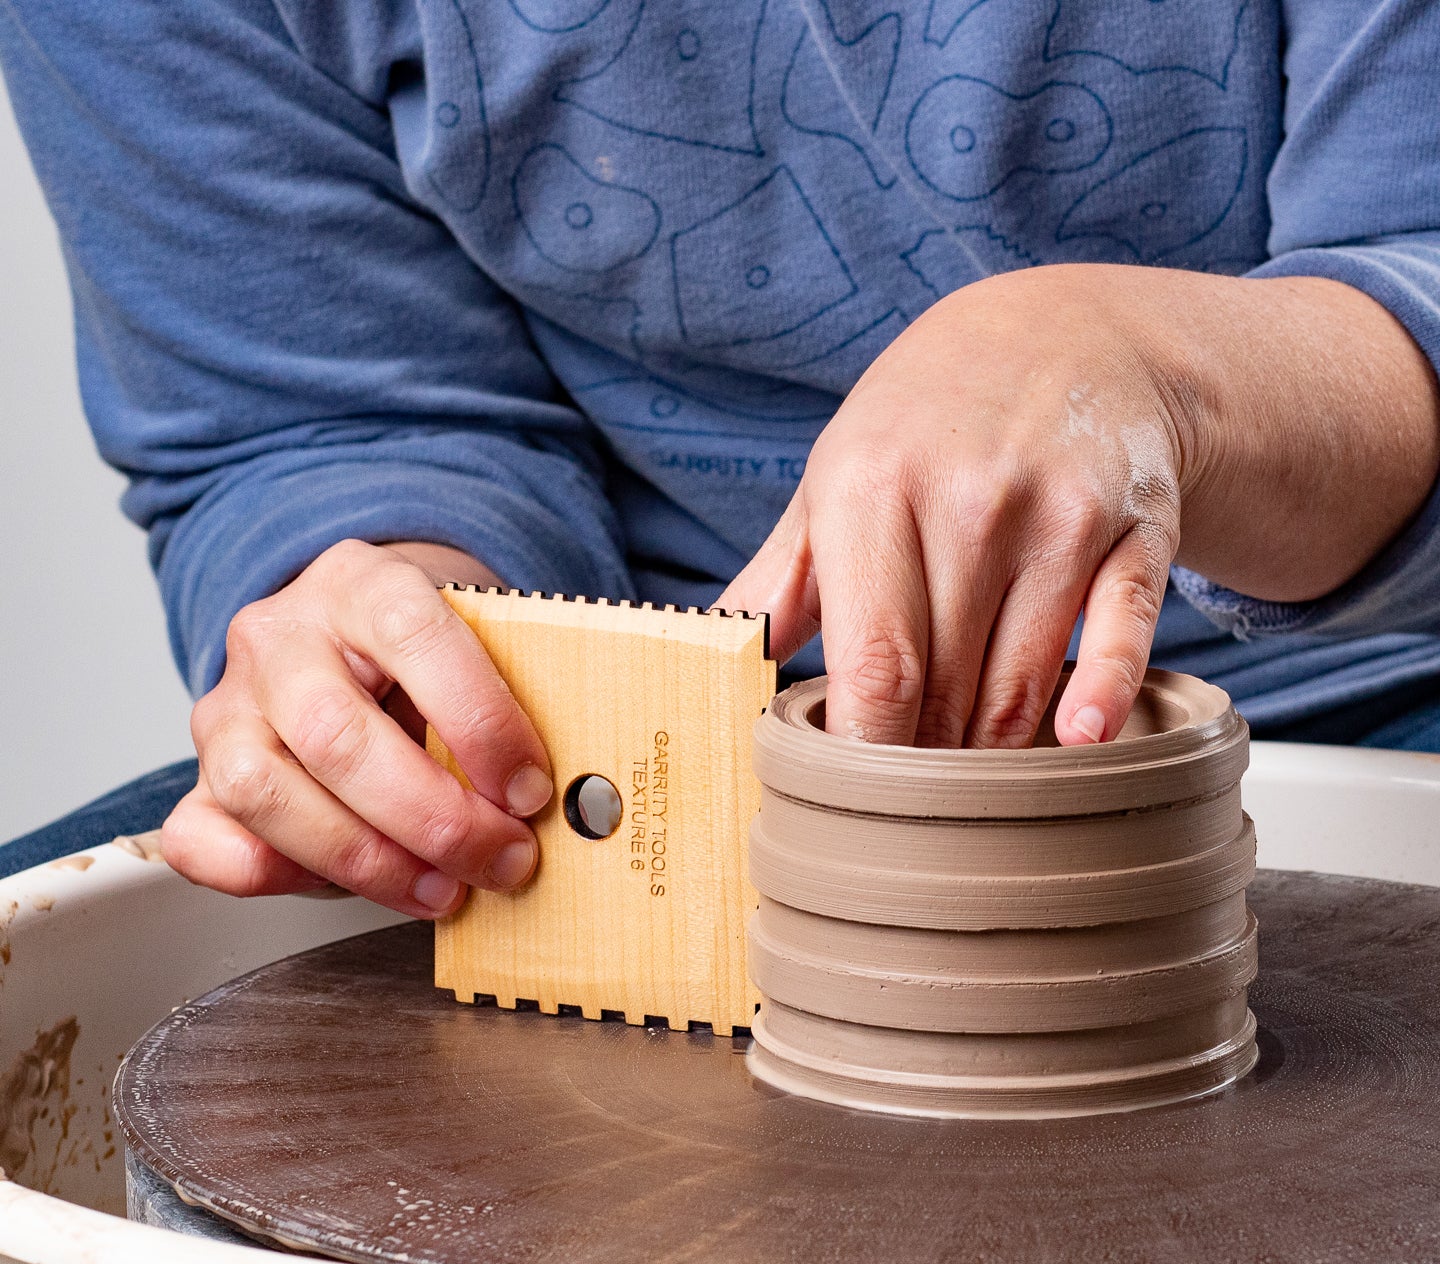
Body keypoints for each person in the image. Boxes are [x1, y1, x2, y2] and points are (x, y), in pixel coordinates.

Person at [2, 1, 1438, 908]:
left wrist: (1155, 375)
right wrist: (393, 635)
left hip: (1359, 686)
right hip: (649, 767)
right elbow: (334, 414)